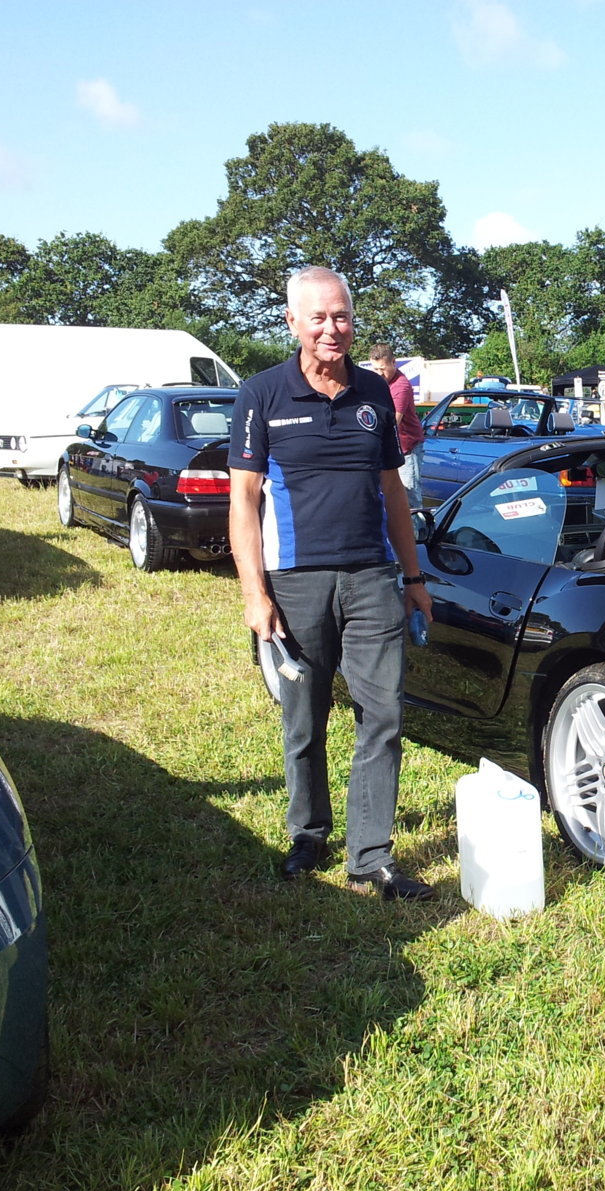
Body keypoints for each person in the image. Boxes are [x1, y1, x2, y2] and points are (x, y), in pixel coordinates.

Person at [228, 265, 436, 900]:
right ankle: (310, 833)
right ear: (292, 322)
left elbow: (392, 493)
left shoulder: (376, 393)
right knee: (305, 718)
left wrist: (413, 574)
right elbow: (242, 501)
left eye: (341, 316)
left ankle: (371, 854)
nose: (331, 328)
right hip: (294, 581)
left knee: (384, 714)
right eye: (317, 317)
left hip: (372, 577)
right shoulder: (262, 395)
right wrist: (254, 593)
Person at [369, 343, 423, 506]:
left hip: (408, 450)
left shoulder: (401, 387)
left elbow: (392, 424)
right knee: (388, 497)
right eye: (375, 369)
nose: (379, 374)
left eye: (382, 369)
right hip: (391, 448)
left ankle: (418, 530)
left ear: (394, 362)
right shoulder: (380, 383)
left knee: (410, 497)